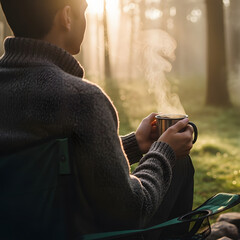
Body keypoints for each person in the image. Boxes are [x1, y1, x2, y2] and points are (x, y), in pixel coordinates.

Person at [0, 0, 195, 239]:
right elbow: (133, 210)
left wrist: (135, 144)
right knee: (178, 164)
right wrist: (164, 152)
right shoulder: (82, 99)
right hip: (84, 233)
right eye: (84, 12)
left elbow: (56, 168)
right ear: (68, 17)